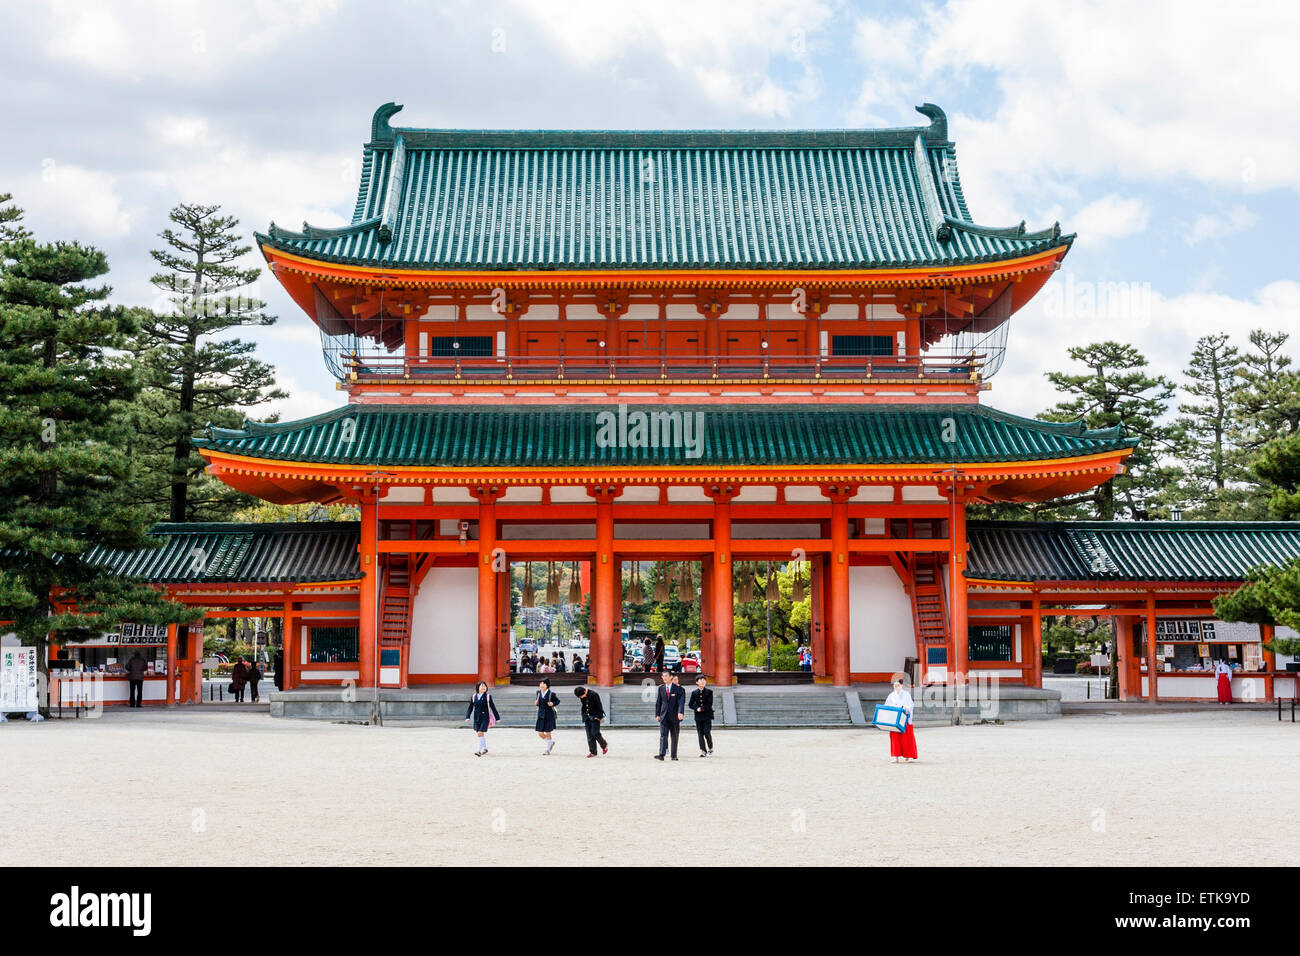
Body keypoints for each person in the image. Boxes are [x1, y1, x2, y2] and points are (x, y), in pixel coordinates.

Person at [884, 674, 918, 763]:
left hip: (904, 718)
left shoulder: (906, 694)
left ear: (901, 686)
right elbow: (886, 705)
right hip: (894, 719)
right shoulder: (891, 695)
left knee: (907, 737)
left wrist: (907, 709)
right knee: (895, 738)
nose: (896, 687)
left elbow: (910, 705)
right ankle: (895, 756)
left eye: (898, 685)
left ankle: (909, 755)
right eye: (895, 686)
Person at [654, 670, 685, 760]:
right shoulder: (661, 688)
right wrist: (657, 714)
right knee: (663, 735)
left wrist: (680, 712)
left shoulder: (679, 689)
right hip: (663, 716)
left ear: (671, 677)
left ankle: (674, 755)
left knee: (674, 736)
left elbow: (681, 702)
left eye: (666, 676)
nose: (664, 678)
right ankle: (661, 754)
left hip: (675, 716)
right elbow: (658, 702)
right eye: (663, 676)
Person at [465, 680, 500, 756]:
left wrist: (497, 718)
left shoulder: (488, 696)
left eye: (485, 686)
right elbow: (470, 707)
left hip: (485, 717)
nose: (484, 687)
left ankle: (479, 751)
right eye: (482, 686)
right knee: (481, 734)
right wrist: (467, 716)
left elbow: (493, 707)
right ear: (478, 687)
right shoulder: (474, 696)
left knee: (480, 733)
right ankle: (485, 749)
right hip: (477, 718)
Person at [574, 686, 608, 757]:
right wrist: (583, 715)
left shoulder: (593, 694)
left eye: (581, 696)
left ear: (584, 692)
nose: (581, 698)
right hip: (587, 717)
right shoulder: (582, 696)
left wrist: (599, 716)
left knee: (595, 732)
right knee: (589, 735)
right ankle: (593, 752)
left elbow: (599, 705)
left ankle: (604, 745)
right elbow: (583, 706)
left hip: (595, 716)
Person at [687, 674, 714, 756]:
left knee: (707, 732)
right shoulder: (694, 693)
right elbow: (690, 704)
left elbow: (709, 704)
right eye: (701, 680)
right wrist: (696, 708)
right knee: (700, 733)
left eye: (704, 680)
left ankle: (710, 747)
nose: (703, 681)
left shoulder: (709, 692)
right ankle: (703, 750)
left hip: (707, 715)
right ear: (697, 682)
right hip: (698, 716)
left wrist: (701, 709)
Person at [535, 678, 560, 754]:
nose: (542, 685)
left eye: (544, 683)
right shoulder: (538, 693)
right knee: (540, 733)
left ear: (547, 685)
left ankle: (548, 750)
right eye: (541, 683)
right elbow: (538, 702)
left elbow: (557, 701)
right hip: (541, 714)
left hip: (549, 715)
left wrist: (552, 703)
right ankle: (550, 743)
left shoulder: (551, 694)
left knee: (548, 732)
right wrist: (536, 703)